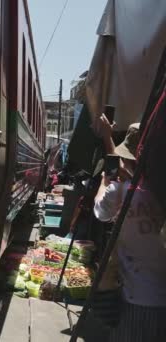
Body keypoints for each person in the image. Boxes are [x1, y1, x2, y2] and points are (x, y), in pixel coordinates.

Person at [93, 115, 166, 341]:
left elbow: (101, 212)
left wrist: (105, 182)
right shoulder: (159, 191)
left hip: (135, 299)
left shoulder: (121, 192)